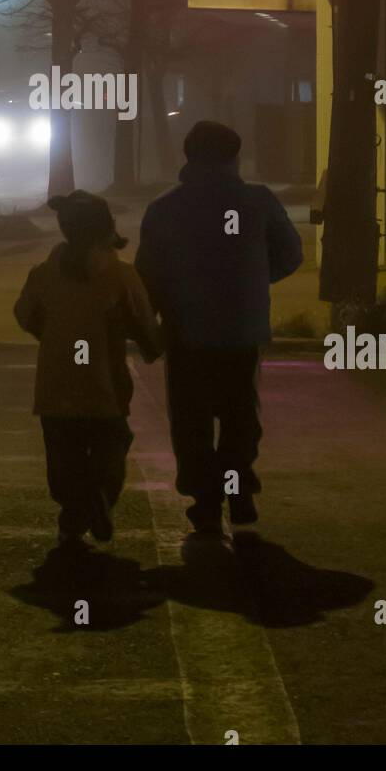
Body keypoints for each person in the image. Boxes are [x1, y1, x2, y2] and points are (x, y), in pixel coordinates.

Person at [135, 121, 302, 540]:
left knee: (191, 419)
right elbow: (290, 255)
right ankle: (238, 487)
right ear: (235, 157)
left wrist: (146, 326)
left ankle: (206, 502)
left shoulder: (164, 209)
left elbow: (147, 276)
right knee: (239, 413)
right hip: (242, 328)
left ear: (188, 158)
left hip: (186, 330)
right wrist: (254, 280)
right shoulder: (258, 201)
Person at [14, 191, 162, 548]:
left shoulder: (44, 274)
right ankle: (99, 494)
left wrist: (53, 335)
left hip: (54, 387)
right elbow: (145, 326)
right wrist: (153, 346)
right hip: (105, 387)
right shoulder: (121, 276)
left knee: (64, 454)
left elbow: (25, 316)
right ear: (105, 228)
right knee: (111, 444)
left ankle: (72, 514)